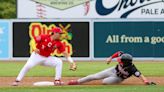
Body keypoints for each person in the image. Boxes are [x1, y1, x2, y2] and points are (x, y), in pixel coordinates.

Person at [12, 27, 77, 86]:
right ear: (54, 33)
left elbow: (65, 53)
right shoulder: (44, 37)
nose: (60, 35)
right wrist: (34, 48)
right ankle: (17, 80)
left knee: (59, 62)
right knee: (28, 66)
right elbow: (32, 41)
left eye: (61, 33)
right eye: (59, 33)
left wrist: (72, 62)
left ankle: (57, 80)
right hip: (36, 56)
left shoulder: (59, 43)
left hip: (47, 58)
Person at [68, 51, 156, 85]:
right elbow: (118, 53)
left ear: (125, 62)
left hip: (118, 78)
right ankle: (77, 81)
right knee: (94, 76)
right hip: (112, 70)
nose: (119, 60)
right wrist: (110, 58)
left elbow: (140, 75)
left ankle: (110, 80)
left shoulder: (131, 68)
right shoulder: (122, 57)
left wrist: (146, 81)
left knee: (104, 82)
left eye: (121, 60)